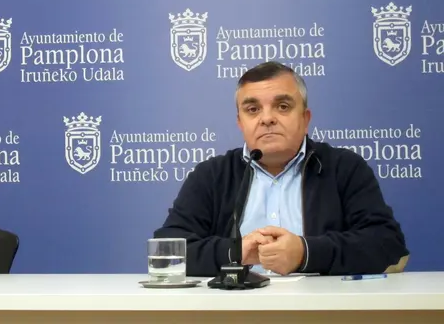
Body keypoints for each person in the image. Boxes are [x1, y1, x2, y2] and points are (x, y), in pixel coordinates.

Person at [154, 61, 409, 276]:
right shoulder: (212, 175)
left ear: (305, 119)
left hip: (322, 310)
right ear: (240, 123)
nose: (267, 118)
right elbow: (167, 252)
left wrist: (305, 253)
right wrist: (235, 252)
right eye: (253, 109)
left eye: (283, 106)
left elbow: (387, 244)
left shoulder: (344, 168)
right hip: (234, 310)